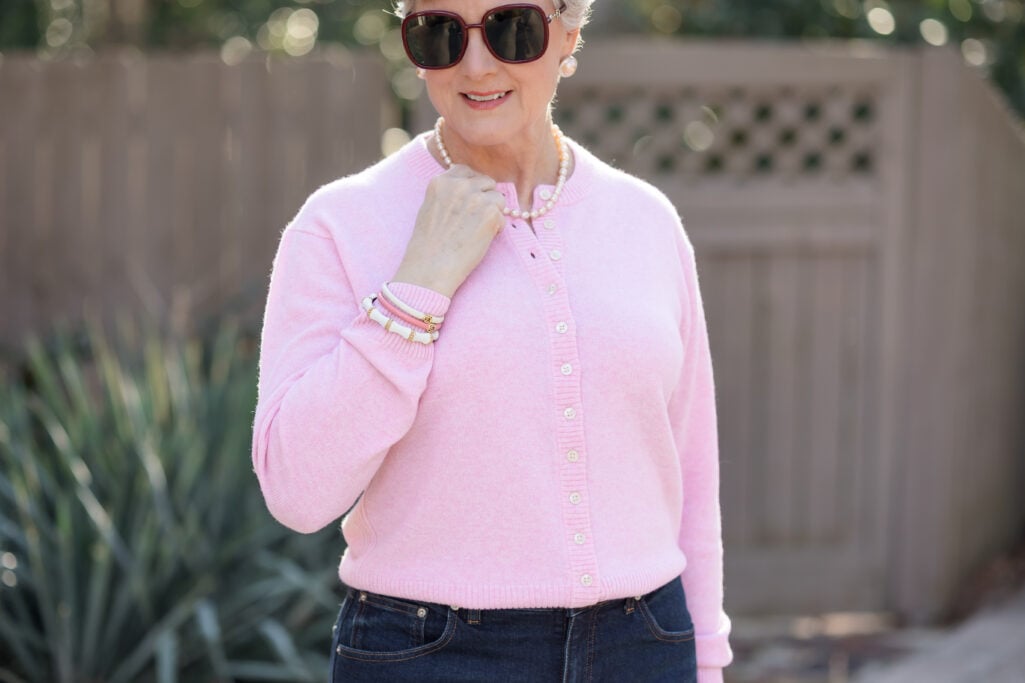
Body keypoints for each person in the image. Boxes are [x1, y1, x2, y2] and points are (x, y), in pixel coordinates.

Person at [250, 1, 734, 680]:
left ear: (568, 33)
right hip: (431, 652)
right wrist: (416, 287)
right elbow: (296, 489)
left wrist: (706, 659)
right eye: (440, 32)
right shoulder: (339, 225)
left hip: (642, 644)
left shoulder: (645, 222)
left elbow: (689, 474)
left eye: (512, 28)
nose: (476, 65)